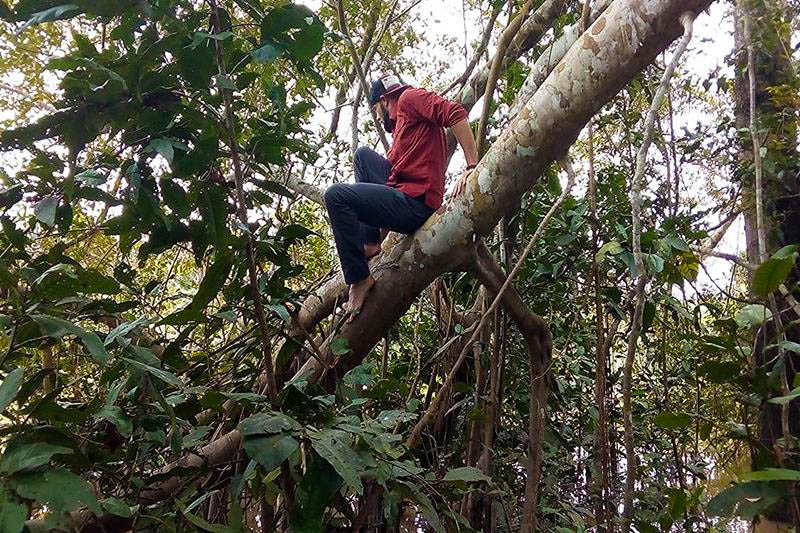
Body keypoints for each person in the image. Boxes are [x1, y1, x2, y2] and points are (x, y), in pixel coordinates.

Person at [324, 74, 479, 321]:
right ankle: (371, 242)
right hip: (401, 197)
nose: (377, 117)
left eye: (376, 110)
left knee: (336, 196)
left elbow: (455, 113)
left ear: (385, 101)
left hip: (417, 204)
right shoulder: (401, 133)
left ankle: (360, 278)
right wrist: (380, 236)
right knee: (363, 155)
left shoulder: (410, 98)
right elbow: (389, 185)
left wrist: (472, 167)